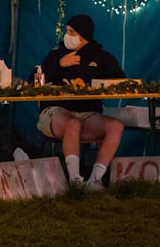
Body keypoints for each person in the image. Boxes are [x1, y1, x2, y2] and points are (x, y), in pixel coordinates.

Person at [37, 14, 125, 191]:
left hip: (87, 113)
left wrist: (88, 86)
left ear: (83, 35)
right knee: (72, 123)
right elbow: (35, 79)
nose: (66, 35)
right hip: (56, 112)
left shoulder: (101, 57)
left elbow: (120, 81)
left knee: (116, 126)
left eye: (71, 32)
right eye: (67, 31)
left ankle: (95, 179)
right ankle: (75, 180)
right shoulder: (56, 55)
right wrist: (60, 64)